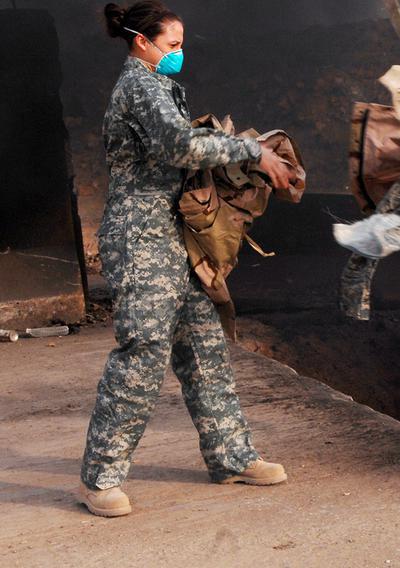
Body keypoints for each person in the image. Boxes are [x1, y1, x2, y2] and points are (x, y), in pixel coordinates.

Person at [77, 1, 291, 518]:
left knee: (204, 347)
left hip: (176, 237)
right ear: (141, 41)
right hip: (141, 238)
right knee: (143, 354)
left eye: (180, 44)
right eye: (172, 45)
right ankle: (99, 479)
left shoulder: (161, 83)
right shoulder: (139, 85)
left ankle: (231, 456)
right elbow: (177, 145)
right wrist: (250, 151)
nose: (179, 53)